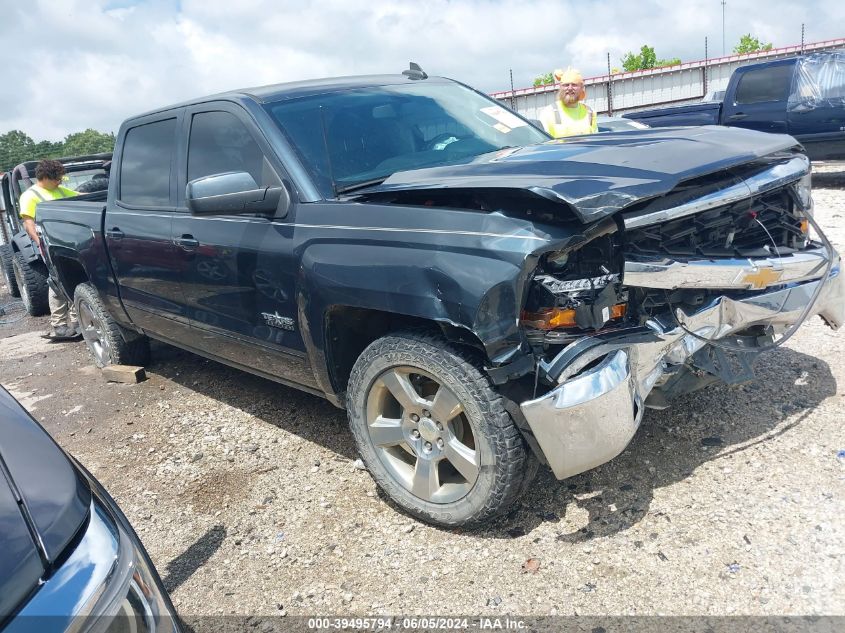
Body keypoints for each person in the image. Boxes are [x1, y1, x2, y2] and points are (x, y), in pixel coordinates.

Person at [19, 159, 79, 339]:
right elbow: (28, 222)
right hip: (49, 245)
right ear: (44, 177)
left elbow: (80, 195)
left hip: (67, 243)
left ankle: (77, 321)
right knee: (57, 282)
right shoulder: (30, 195)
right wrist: (40, 243)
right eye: (57, 178)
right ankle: (59, 324)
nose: (60, 181)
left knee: (75, 279)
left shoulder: (59, 190)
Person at [539, 67, 598, 138]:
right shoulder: (548, 112)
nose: (570, 88)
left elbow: (595, 142)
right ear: (560, 87)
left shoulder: (590, 112)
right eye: (566, 85)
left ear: (582, 88)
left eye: (574, 85)